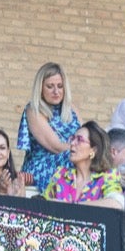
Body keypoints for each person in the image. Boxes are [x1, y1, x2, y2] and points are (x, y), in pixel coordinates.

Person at [18, 62, 80, 191]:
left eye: (60, 86)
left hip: (71, 156)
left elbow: (88, 135)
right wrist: (84, 150)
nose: (56, 91)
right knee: (81, 157)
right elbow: (56, 147)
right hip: (40, 167)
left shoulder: (71, 108)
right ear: (40, 88)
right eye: (50, 86)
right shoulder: (33, 110)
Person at [39, 122, 123, 206]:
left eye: (79, 140)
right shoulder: (61, 174)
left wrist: (71, 207)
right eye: (72, 138)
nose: (72, 143)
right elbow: (42, 205)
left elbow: (116, 203)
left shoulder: (107, 176)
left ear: (93, 150)